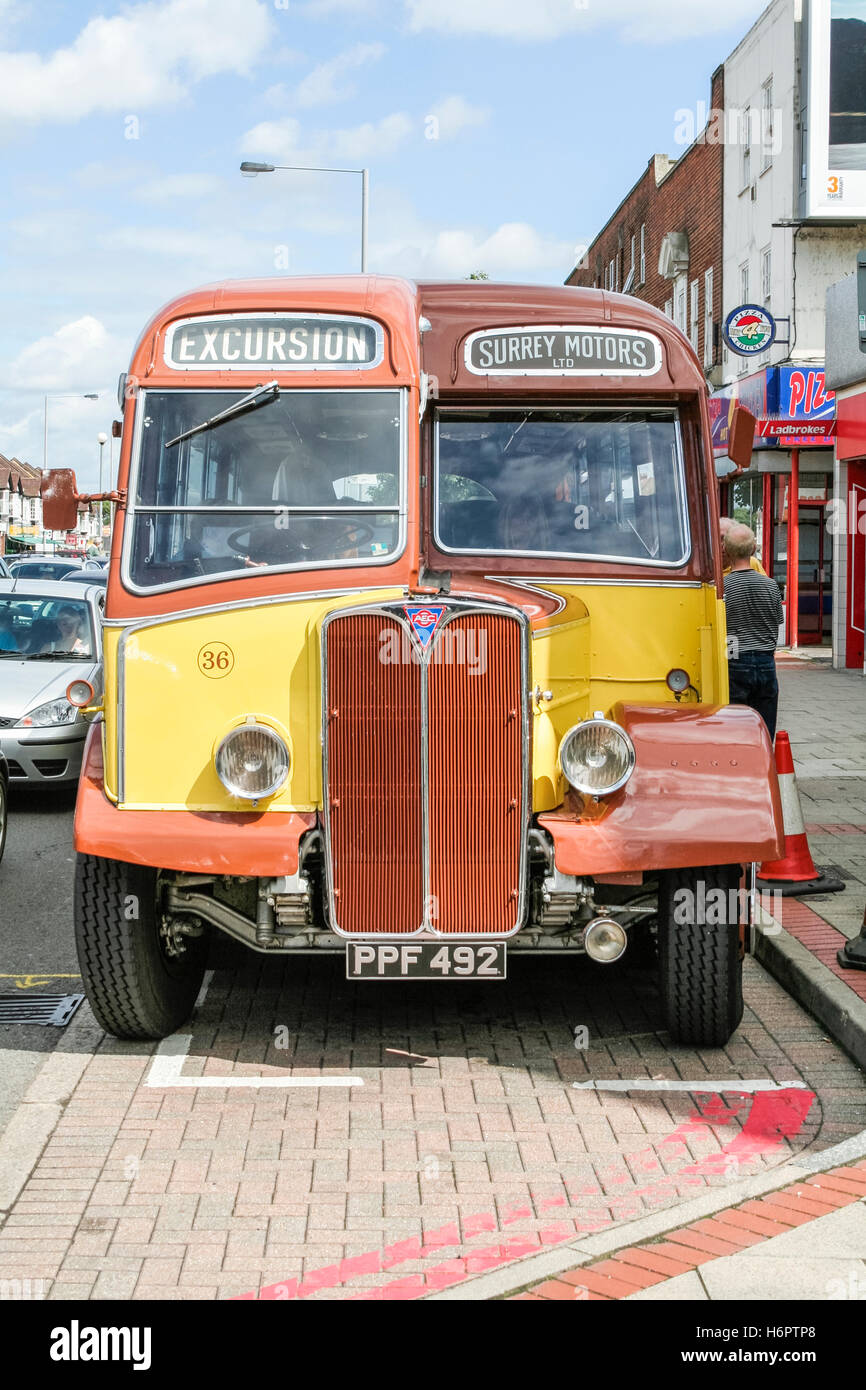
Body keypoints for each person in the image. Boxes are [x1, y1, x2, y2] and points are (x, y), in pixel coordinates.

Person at [723, 523, 784, 739]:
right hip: (766, 661)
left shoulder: (723, 588)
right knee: (765, 728)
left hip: (735, 660)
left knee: (736, 727)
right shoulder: (770, 585)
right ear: (753, 549)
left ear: (725, 550)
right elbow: (777, 620)